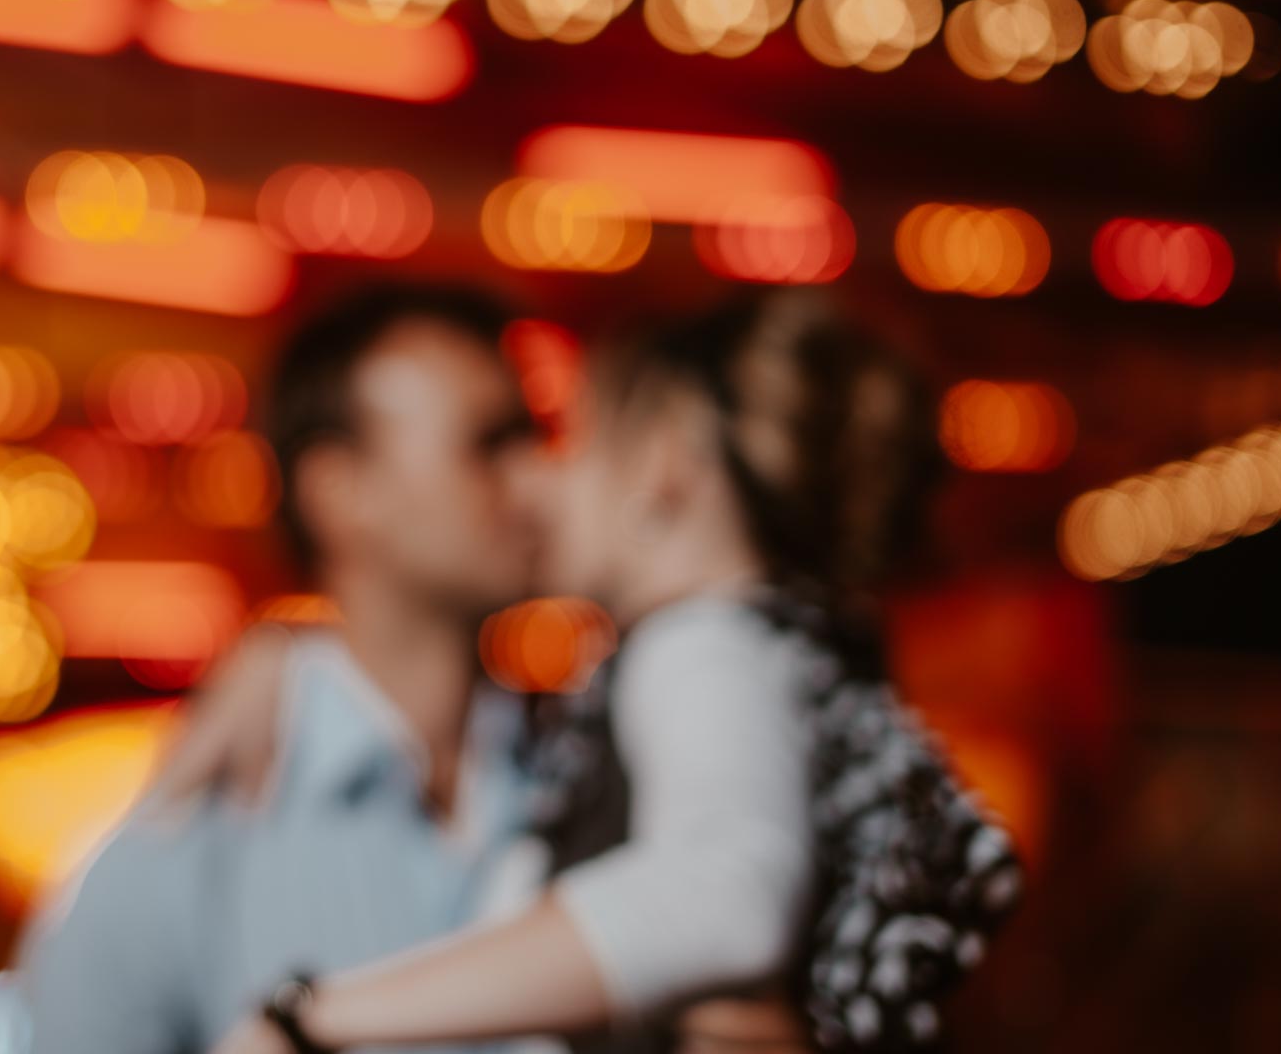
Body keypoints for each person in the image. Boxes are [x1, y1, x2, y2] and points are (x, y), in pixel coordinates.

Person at [191, 290, 945, 1054]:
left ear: (659, 473)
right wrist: (287, 650)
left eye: (565, 441)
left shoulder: (701, 648)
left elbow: (725, 890)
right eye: (498, 446)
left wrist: (313, 1018)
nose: (533, 485)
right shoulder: (690, 668)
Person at [16, 282, 551, 1054]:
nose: (536, 480)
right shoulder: (195, 830)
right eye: (489, 444)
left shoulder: (586, 763)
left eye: (536, 438)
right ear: (339, 492)